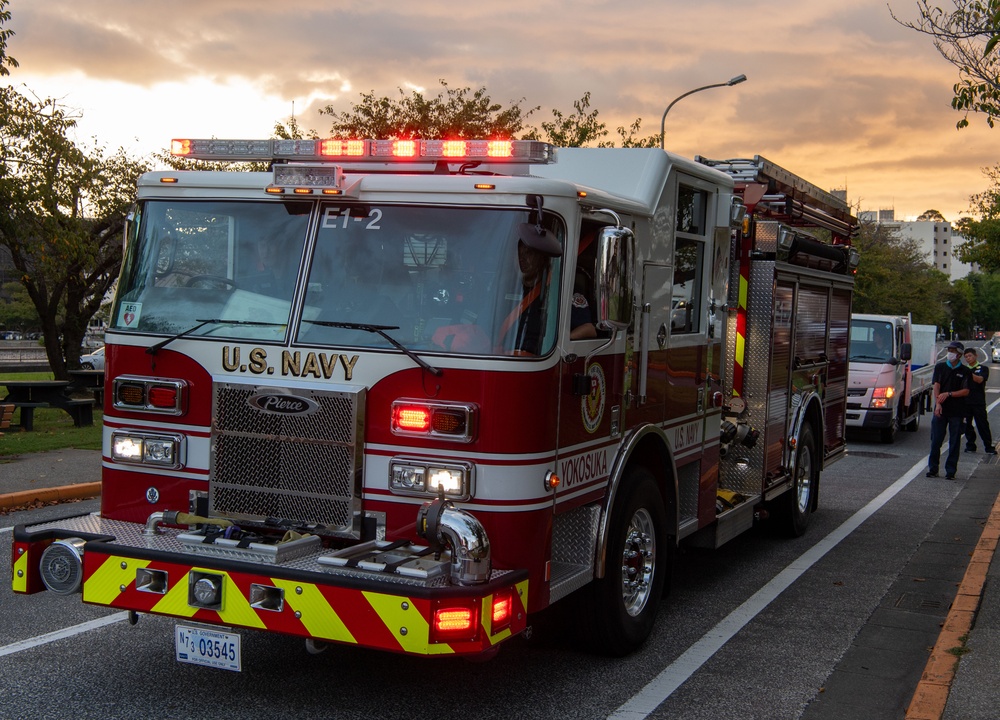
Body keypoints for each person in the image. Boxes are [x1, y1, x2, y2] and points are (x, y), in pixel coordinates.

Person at [927, 340, 972, 479]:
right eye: (949, 351)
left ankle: (951, 471)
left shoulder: (965, 371)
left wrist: (950, 394)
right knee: (936, 440)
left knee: (954, 441)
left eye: (952, 351)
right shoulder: (941, 367)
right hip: (941, 409)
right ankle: (933, 469)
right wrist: (938, 403)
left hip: (957, 410)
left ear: (959, 354)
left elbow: (966, 391)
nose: (950, 353)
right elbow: (936, 385)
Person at [962, 347, 996, 454]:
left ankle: (988, 446)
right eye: (966, 357)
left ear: (975, 356)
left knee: (982, 424)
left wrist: (968, 372)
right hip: (966, 402)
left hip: (978, 401)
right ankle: (971, 445)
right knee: (967, 425)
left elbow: (980, 379)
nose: (968, 358)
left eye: (970, 356)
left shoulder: (983, 368)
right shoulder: (963, 370)